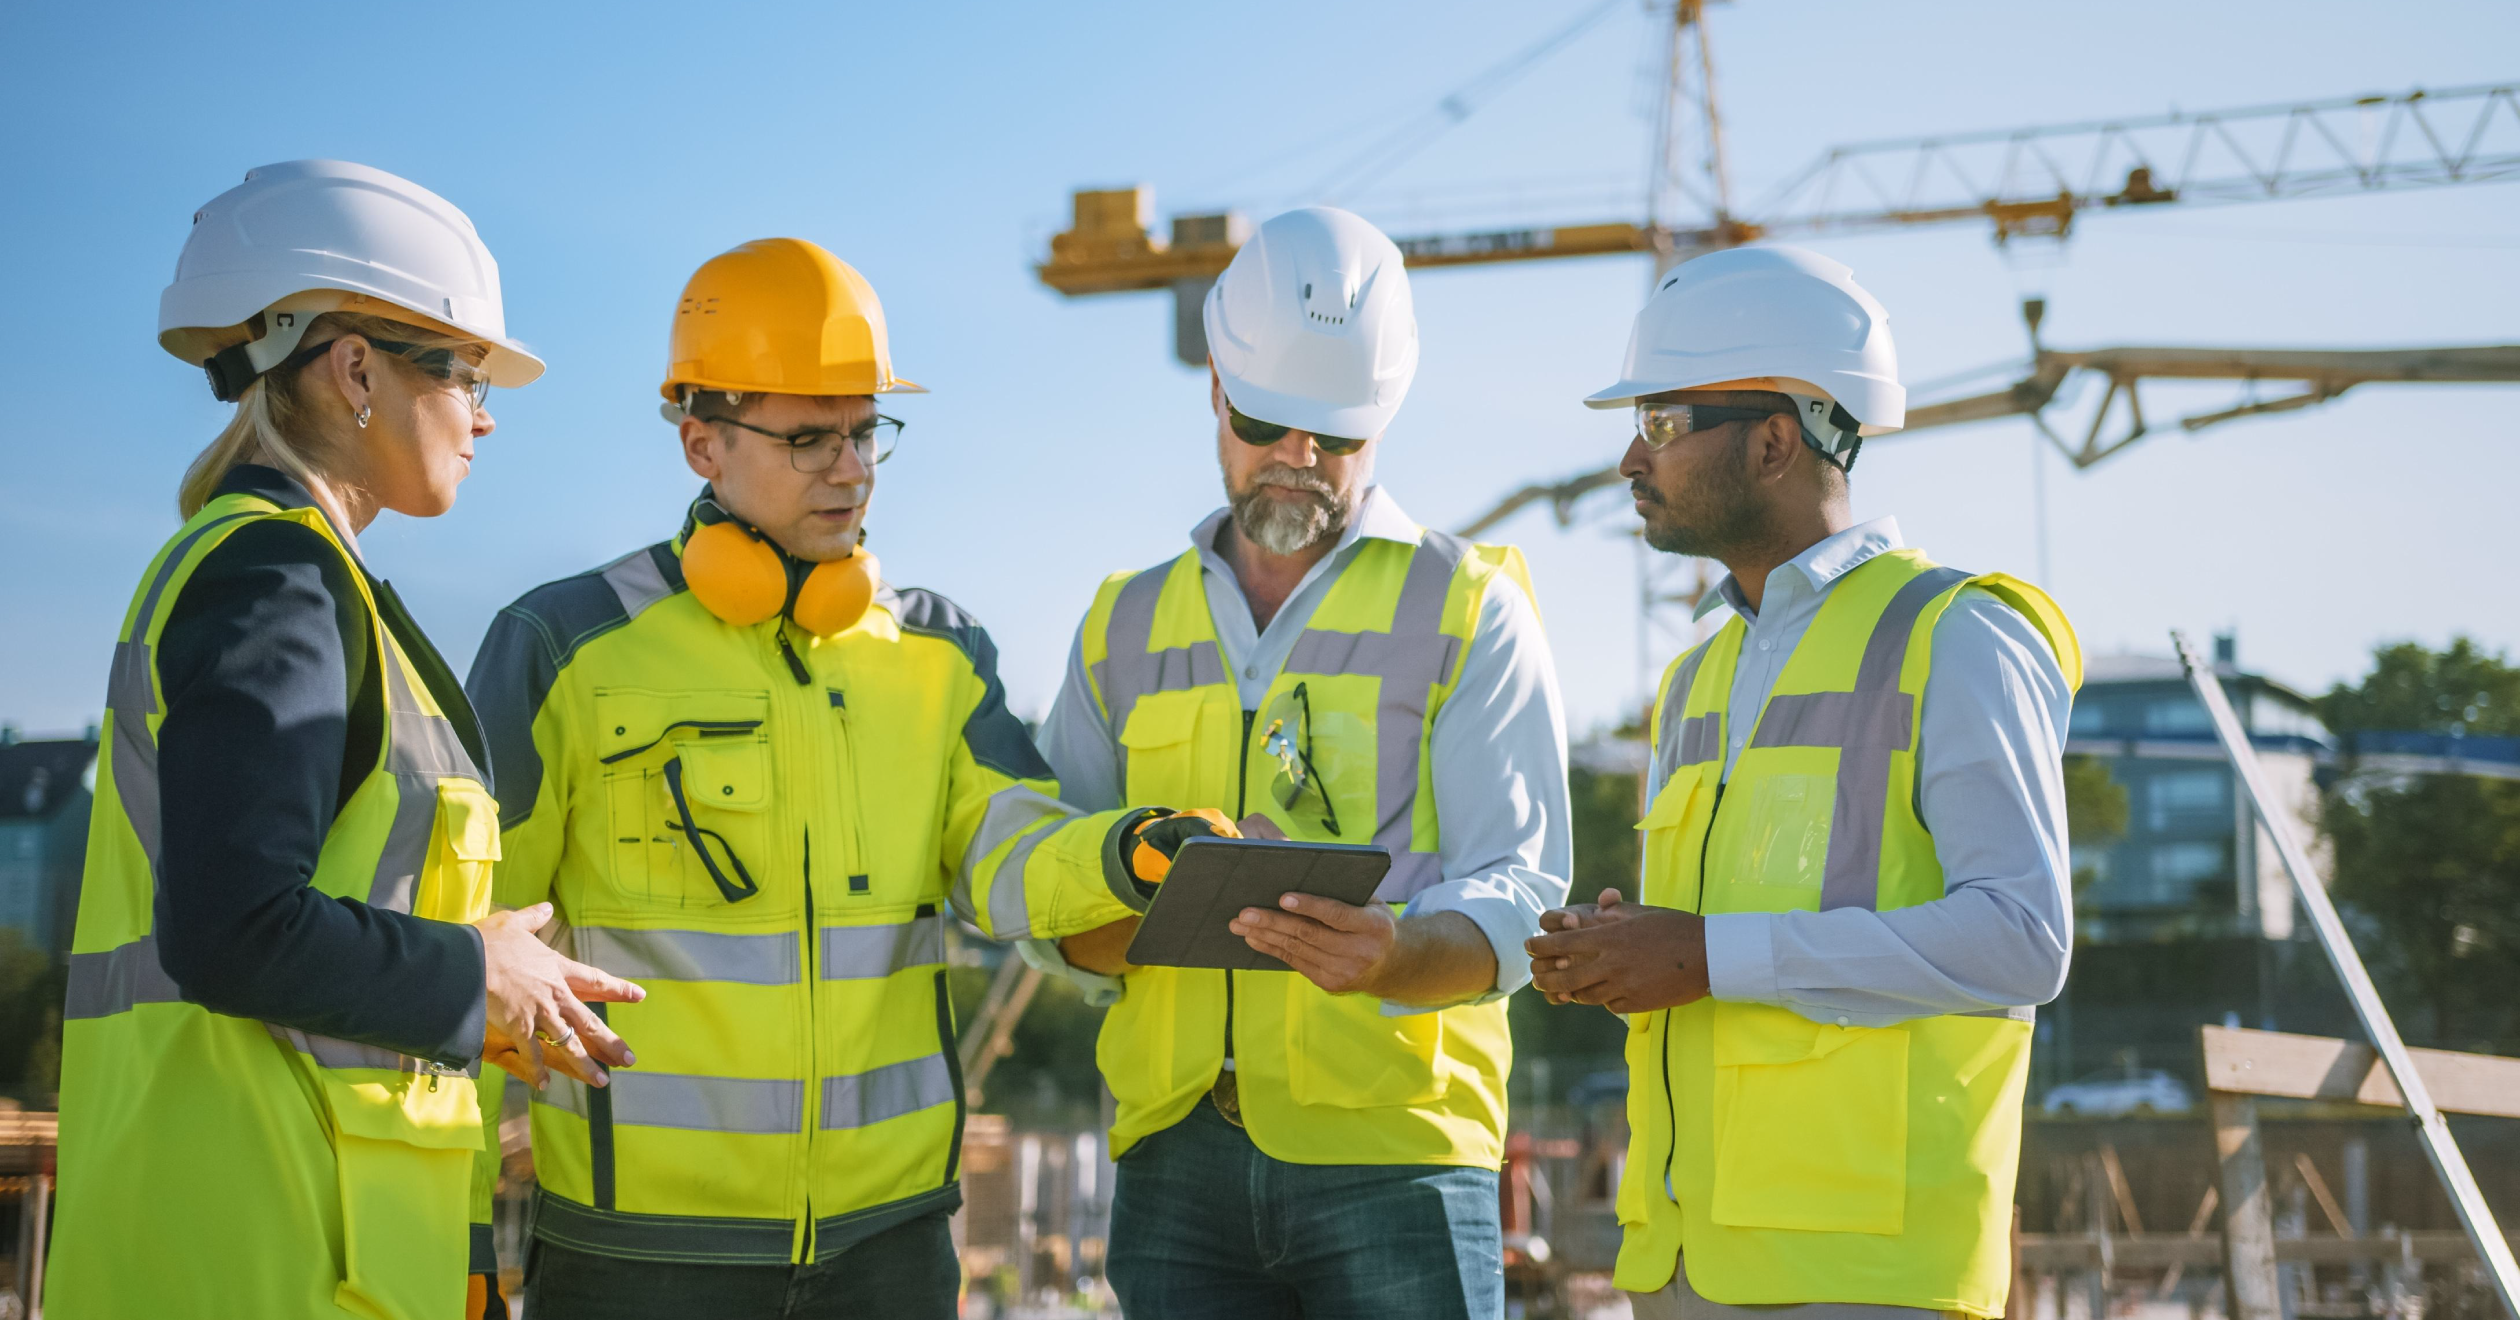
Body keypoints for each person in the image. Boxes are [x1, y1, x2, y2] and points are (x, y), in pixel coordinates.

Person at [463, 237, 1201, 1320]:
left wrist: (1130, 853)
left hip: (888, 1253)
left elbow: (1008, 852)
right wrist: (464, 1228)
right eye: (808, 438)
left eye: (865, 433)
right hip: (639, 1258)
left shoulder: (939, 654)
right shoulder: (563, 644)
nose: (850, 469)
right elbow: (475, 944)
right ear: (700, 442)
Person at [49, 160, 642, 1320]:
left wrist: (491, 988)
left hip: (296, 1240)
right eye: (466, 372)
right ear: (356, 368)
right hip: (260, 1251)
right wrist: (476, 972)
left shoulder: (291, 575)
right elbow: (234, 931)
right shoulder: (276, 578)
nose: (484, 414)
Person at [1523, 245, 2083, 1320]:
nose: (1630, 465)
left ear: (1776, 439)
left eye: (1660, 425)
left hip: (1867, 1277)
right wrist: (1619, 953)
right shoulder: (1694, 679)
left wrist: (1701, 953)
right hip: (1686, 1266)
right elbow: (1708, 953)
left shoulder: (1957, 635)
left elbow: (2022, 938)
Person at [1033, 206, 1573, 1320]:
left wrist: (1397, 953)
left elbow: (1521, 887)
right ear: (1219, 392)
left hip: (1399, 1158)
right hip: (1175, 1160)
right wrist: (1113, 896)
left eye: (1335, 435)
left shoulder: (1470, 609)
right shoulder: (1120, 624)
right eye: (1272, 423)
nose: (1299, 461)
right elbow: (1042, 874)